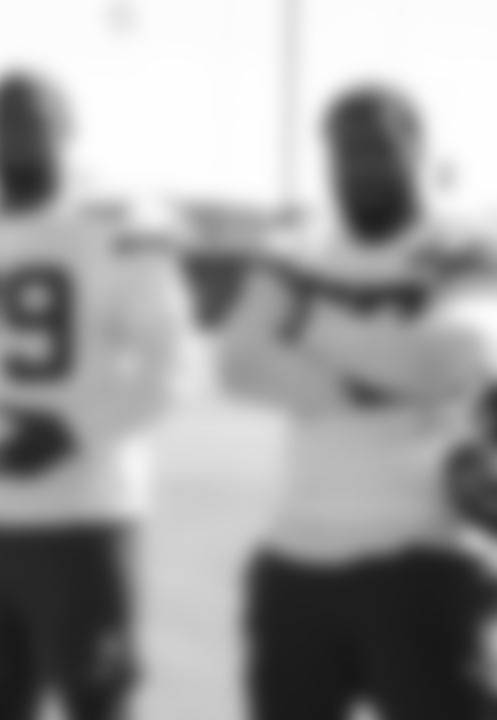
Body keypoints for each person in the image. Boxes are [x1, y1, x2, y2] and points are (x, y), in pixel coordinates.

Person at [0, 70, 195, 720]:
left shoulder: (116, 230)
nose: (13, 139)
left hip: (83, 525)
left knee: (98, 706)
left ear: (68, 130)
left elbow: (173, 371)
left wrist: (70, 433)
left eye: (31, 122)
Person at [219, 82, 497, 720]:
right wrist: (366, 378)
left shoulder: (467, 243)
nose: (361, 167)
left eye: (378, 148)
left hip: (424, 560)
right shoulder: (297, 250)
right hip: (295, 563)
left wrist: (307, 324)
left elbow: (446, 358)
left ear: (419, 148)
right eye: (345, 152)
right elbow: (237, 367)